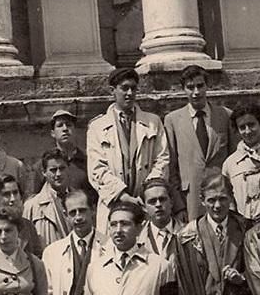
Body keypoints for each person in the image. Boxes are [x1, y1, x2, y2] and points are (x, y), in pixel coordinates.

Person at [87, 67, 169, 233]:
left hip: (145, 204)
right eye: (124, 88)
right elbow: (97, 170)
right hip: (114, 203)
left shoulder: (153, 122)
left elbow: (162, 160)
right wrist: (122, 195)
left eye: (133, 88)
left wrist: (148, 194)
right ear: (113, 91)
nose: (129, 93)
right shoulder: (98, 127)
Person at [164, 65, 230, 221]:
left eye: (200, 86)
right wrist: (179, 205)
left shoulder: (225, 115)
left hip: (220, 196)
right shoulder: (173, 120)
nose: (196, 92)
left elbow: (233, 158)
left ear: (207, 86)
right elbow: (171, 166)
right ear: (183, 89)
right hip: (190, 198)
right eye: (190, 87)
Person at [30, 109, 95, 201]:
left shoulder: (89, 162)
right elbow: (35, 199)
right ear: (53, 133)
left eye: (69, 125)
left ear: (75, 130)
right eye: (60, 125)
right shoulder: (42, 166)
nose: (65, 129)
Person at [23, 148, 70, 251]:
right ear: (44, 172)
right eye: (53, 170)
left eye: (62, 168)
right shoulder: (32, 206)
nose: (58, 174)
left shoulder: (79, 201)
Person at [0, 173, 43, 258]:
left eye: (15, 193)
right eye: (6, 194)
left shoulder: (28, 225)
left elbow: (38, 255)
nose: (13, 199)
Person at [139, 178, 184, 261]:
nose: (158, 204)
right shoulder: (137, 238)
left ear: (171, 202)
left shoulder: (188, 233)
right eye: (152, 201)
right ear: (144, 207)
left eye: (162, 199)